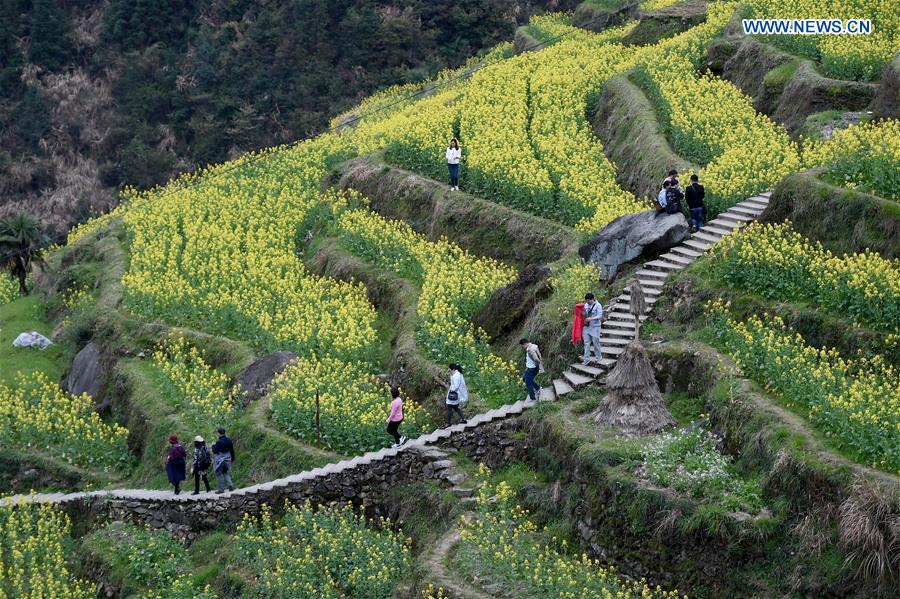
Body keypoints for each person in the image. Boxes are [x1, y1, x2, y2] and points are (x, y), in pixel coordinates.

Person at [581, 293, 603, 366]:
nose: (587, 302)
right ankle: (586, 359)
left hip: (595, 326)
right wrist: (582, 313)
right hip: (586, 326)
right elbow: (584, 312)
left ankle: (598, 357)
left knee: (595, 342)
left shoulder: (598, 306)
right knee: (586, 343)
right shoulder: (586, 305)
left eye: (588, 301)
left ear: (592, 299)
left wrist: (591, 319)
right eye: (586, 301)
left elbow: (599, 316)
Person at [212, 427, 235, 493]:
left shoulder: (219, 442)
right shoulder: (229, 440)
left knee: (218, 473)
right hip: (228, 458)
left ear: (219, 433)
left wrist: (213, 445)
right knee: (225, 472)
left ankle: (221, 489)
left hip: (220, 459)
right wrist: (233, 458)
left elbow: (215, 451)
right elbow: (231, 450)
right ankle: (230, 485)